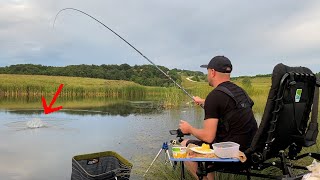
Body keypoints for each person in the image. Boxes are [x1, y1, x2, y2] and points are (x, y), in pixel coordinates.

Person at [179, 55, 258, 180]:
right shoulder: (240, 91)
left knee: (184, 145)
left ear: (212, 72)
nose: (207, 75)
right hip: (251, 148)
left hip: (232, 153)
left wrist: (189, 129)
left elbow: (208, 137)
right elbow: (232, 107)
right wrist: (204, 102)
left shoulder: (214, 96)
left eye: (207, 72)